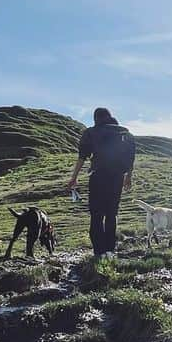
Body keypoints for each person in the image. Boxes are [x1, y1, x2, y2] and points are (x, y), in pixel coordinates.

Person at [67, 107, 136, 259]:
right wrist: (128, 176)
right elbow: (130, 157)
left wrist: (74, 178)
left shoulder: (92, 132)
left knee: (96, 214)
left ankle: (99, 252)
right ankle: (110, 251)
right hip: (117, 177)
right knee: (112, 213)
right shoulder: (124, 133)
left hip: (98, 176)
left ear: (96, 118)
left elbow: (82, 156)